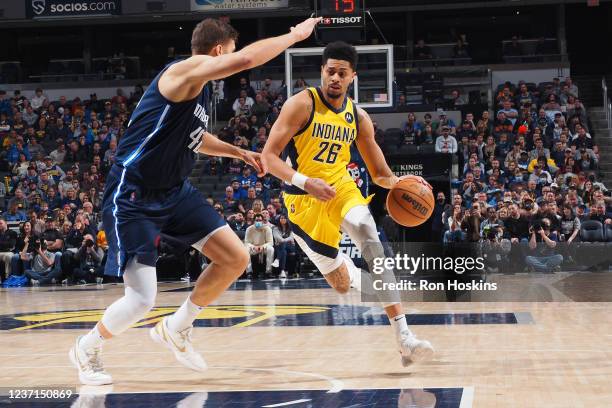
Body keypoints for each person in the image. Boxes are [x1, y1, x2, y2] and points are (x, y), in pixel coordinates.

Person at [69, 17, 321, 386]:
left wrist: (239, 152)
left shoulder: (198, 90)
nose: (232, 60)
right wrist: (294, 36)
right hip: (134, 193)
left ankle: (177, 327)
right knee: (141, 299)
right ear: (218, 50)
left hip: (174, 191)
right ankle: (87, 348)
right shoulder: (183, 72)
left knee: (235, 258)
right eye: (230, 51)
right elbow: (247, 61)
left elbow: (195, 137)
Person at [262, 41, 434, 367]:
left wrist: (402, 184)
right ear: (322, 72)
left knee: (371, 237)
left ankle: (404, 336)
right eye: (330, 72)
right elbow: (268, 158)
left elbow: (381, 174)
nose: (335, 78)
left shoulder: (358, 116)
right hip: (302, 198)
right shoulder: (301, 105)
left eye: (342, 73)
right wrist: (304, 181)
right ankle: (357, 277)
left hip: (341, 187)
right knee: (341, 285)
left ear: (352, 76)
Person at [244, 213, 274, 278]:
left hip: (264, 248)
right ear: (254, 221)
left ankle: (268, 271)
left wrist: (262, 246)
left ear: (263, 221)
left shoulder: (267, 228)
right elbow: (246, 242)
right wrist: (253, 247)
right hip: (253, 248)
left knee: (271, 249)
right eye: (257, 220)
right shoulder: (249, 229)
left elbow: (271, 242)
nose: (258, 222)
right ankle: (249, 272)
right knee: (246, 249)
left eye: (260, 220)